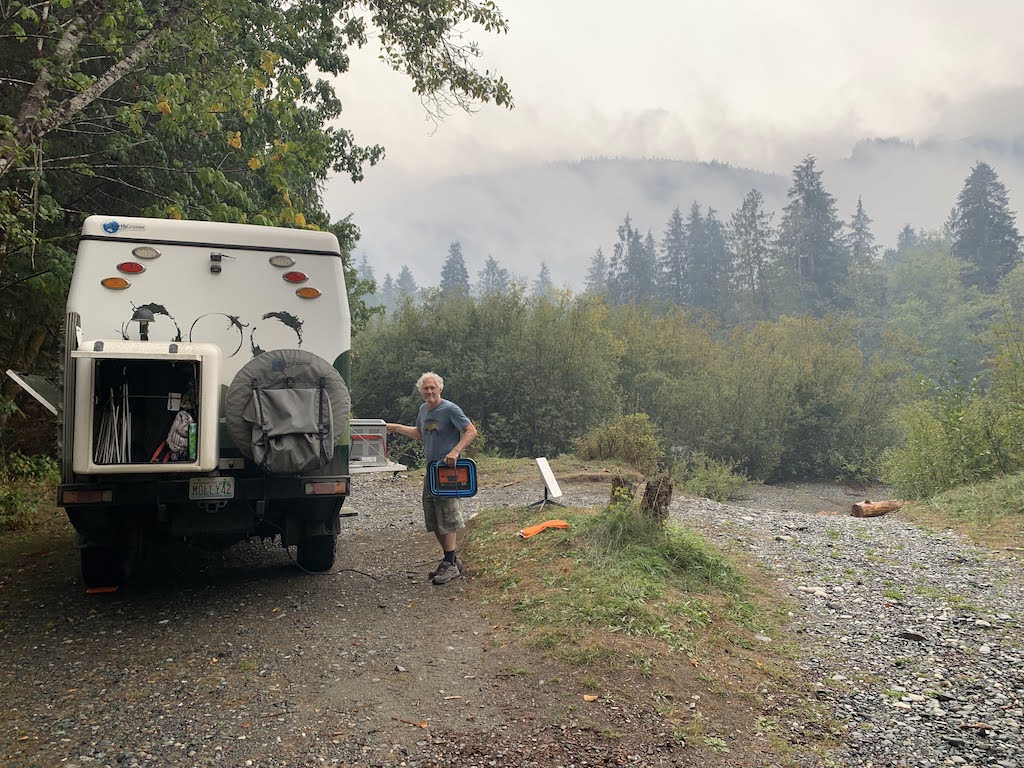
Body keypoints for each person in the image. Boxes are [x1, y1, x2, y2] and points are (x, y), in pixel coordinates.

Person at [386, 372, 477, 585]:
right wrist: (396, 428)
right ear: (421, 392)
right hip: (431, 470)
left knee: (447, 516)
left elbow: (471, 431)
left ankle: (451, 565)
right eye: (425, 389)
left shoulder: (450, 409)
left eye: (432, 388)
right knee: (433, 516)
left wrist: (455, 451)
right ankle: (451, 560)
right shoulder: (423, 410)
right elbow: (420, 433)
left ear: (440, 389)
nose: (429, 392)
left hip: (448, 471)